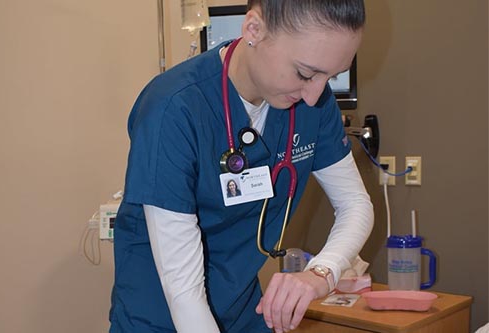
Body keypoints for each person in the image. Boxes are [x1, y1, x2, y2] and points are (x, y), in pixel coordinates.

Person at [109, 1, 373, 332]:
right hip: (160, 317)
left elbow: (356, 205)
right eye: (305, 73)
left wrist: (322, 271)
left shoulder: (313, 104)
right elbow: (183, 290)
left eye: (331, 77)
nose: (314, 95)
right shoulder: (173, 109)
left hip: (242, 311)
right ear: (253, 29)